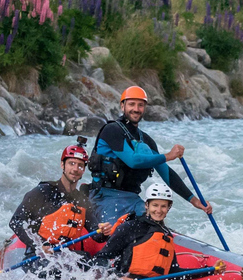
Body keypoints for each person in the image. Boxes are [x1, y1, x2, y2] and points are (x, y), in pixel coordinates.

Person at [88, 85, 213, 223]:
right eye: (131, 104)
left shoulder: (146, 141)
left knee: (154, 226)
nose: (136, 109)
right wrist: (168, 156)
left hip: (132, 198)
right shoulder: (112, 130)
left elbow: (167, 174)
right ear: (122, 106)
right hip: (104, 197)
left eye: (140, 105)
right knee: (118, 232)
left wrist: (194, 200)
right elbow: (133, 161)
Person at [93, 183, 226, 280]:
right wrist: (118, 277)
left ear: (169, 207)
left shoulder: (166, 236)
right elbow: (101, 257)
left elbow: (173, 272)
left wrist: (210, 270)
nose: (159, 210)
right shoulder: (130, 227)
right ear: (147, 205)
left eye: (163, 206)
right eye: (155, 205)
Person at [9, 141, 112, 274]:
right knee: (56, 268)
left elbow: (96, 234)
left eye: (80, 165)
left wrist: (103, 231)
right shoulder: (43, 191)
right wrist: (39, 245)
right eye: (71, 163)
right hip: (39, 256)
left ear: (83, 170)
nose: (75, 169)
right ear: (62, 165)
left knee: (102, 265)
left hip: (67, 256)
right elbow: (16, 221)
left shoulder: (82, 201)